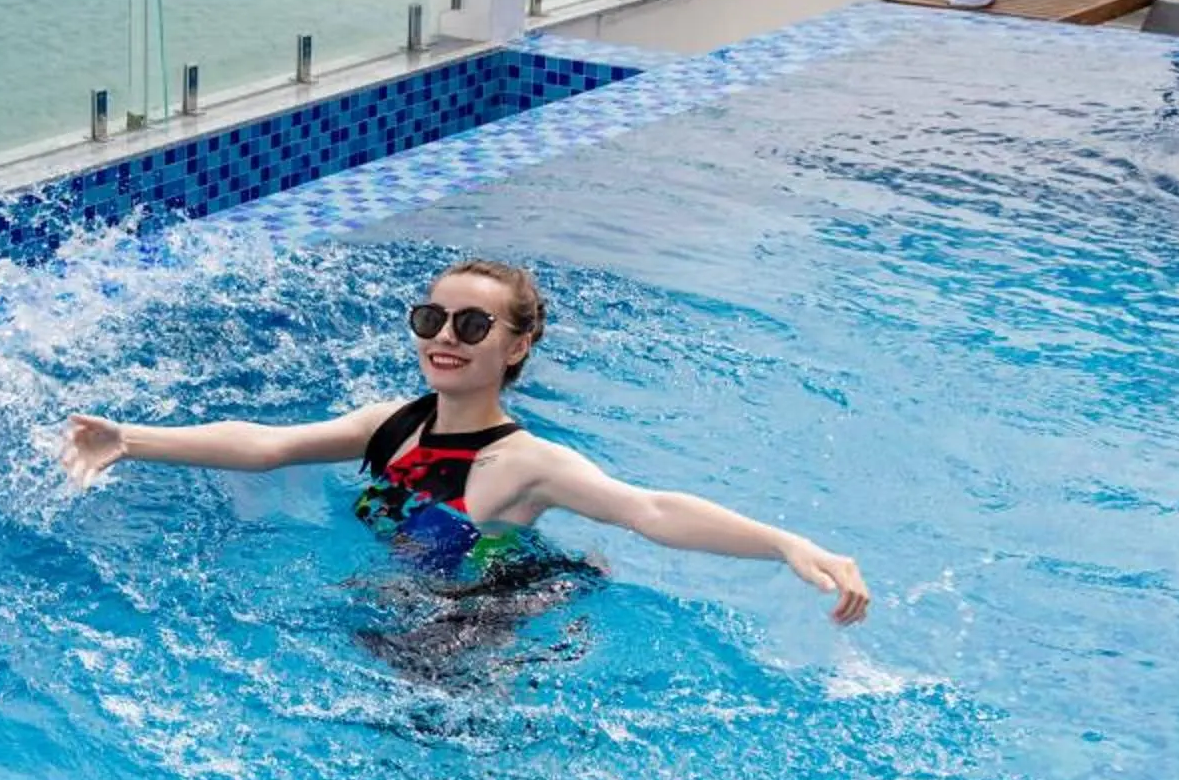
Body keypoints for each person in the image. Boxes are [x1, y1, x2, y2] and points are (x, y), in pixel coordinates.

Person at [57, 258, 870, 625]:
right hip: (410, 596)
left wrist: (784, 544)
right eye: (432, 318)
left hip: (482, 619)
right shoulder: (391, 422)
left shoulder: (525, 465)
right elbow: (266, 445)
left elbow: (650, 510)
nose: (445, 336)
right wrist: (130, 439)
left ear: (515, 347)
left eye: (473, 324)